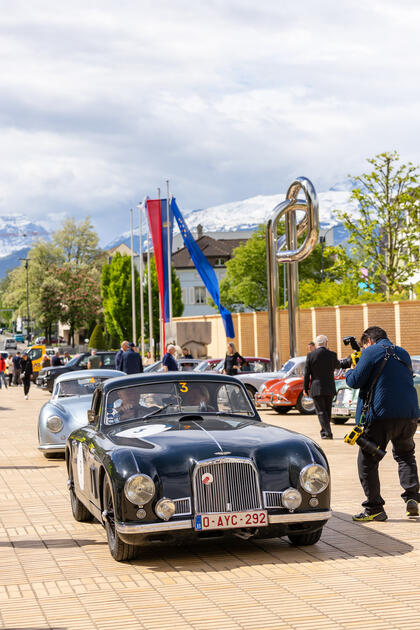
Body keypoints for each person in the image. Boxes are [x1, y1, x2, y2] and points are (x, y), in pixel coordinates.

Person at [346, 326, 420, 522]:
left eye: (364, 346)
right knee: (405, 455)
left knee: (367, 461)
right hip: (409, 415)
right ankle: (412, 497)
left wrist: (351, 368)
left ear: (369, 341)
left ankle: (374, 508)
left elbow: (354, 381)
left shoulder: (371, 352)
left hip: (380, 416)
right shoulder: (402, 352)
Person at [303, 334, 340, 439]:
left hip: (316, 386)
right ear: (326, 343)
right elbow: (337, 365)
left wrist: (305, 388)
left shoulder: (310, 356)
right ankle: (325, 431)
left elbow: (307, 374)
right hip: (329, 387)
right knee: (327, 411)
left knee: (321, 411)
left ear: (315, 344)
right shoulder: (332, 354)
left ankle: (327, 432)